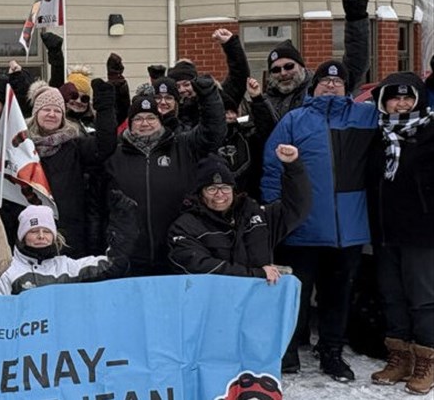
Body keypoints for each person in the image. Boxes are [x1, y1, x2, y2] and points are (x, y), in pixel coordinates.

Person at [262, 59, 378, 381]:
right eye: (325, 82)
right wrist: (276, 213)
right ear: (314, 87)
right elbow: (273, 168)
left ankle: (331, 352)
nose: (331, 86)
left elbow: (403, 109)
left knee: (337, 296)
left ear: (346, 88)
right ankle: (287, 353)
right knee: (294, 297)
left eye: (337, 82)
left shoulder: (366, 116)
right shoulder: (294, 121)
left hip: (348, 231)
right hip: (302, 228)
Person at [105, 78, 226, 275]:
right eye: (138, 118)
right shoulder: (115, 156)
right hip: (129, 255)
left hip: (177, 251)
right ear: (130, 123)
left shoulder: (182, 145)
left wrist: (209, 96)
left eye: (151, 118)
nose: (145, 123)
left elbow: (213, 133)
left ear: (160, 120)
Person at [366, 72, 434, 395]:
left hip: (422, 233)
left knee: (422, 300)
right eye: (395, 97)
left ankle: (427, 358)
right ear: (384, 102)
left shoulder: (431, 132)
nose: (402, 103)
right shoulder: (377, 135)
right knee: (391, 295)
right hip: (384, 231)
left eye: (409, 97)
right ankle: (400, 357)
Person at [168, 146, 309, 282]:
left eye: (225, 188)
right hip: (211, 301)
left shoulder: (257, 215)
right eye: (211, 189)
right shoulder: (185, 226)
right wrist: (254, 274)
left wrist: (293, 167)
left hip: (256, 299)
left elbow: (296, 207)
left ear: (233, 190)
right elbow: (197, 266)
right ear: (200, 193)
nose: (219, 194)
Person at [0, 190, 139, 295]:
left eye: (47, 231)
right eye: (34, 232)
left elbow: (114, 265)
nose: (41, 236)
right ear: (22, 236)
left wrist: (123, 222)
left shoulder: (68, 267)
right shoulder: (6, 271)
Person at [25, 78, 117, 257]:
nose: (51, 114)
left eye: (57, 111)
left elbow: (104, 146)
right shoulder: (22, 147)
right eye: (46, 109)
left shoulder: (75, 146)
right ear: (36, 113)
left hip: (70, 235)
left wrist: (105, 107)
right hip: (32, 234)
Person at [265, 0, 369, 119]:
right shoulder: (265, 101)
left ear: (302, 67)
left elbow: (355, 65)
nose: (283, 73)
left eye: (289, 66)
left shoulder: (319, 88)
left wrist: (356, 21)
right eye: (276, 69)